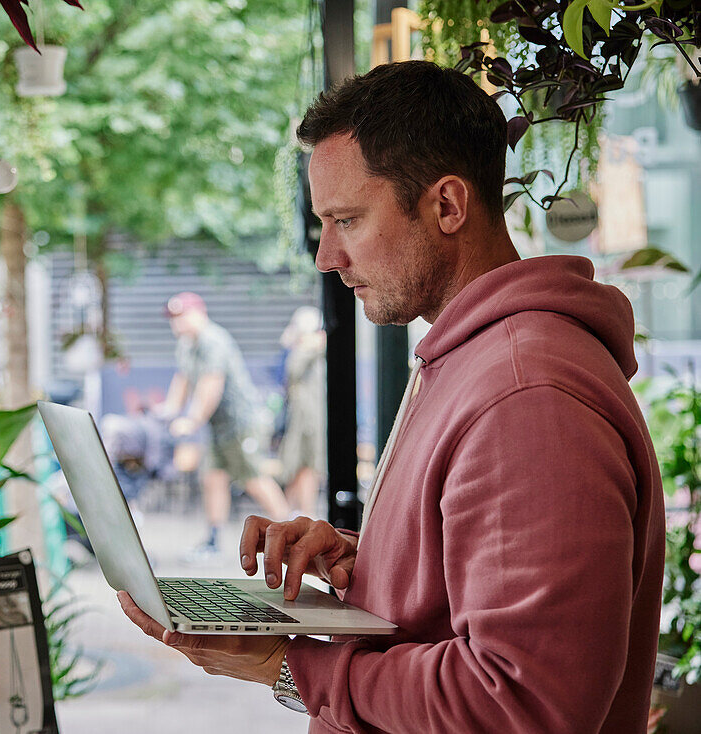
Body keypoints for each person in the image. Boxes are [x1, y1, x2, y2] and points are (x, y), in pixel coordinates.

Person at [119, 60, 664, 733]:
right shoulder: (477, 355)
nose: (326, 256)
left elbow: (523, 704)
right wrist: (370, 565)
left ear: (447, 205)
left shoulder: (528, 394)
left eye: (346, 219)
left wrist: (290, 668)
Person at [158, 291, 291, 558]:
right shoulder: (186, 345)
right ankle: (214, 541)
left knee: (253, 477)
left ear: (199, 313)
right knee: (213, 478)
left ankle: (291, 533)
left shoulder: (213, 340)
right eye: (173, 318)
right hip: (219, 427)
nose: (177, 323)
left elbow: (211, 385)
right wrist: (170, 409)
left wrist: (192, 421)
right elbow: (183, 378)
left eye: (181, 315)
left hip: (242, 424)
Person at [278, 306, 327, 518]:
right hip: (301, 416)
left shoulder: (313, 347)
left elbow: (293, 370)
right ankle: (294, 514)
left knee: (307, 466)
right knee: (296, 466)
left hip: (310, 418)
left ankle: (305, 514)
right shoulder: (308, 348)